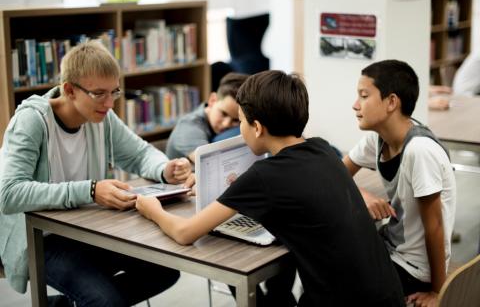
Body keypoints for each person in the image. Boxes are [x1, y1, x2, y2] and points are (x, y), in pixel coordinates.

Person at [136, 70, 405, 306]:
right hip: (387, 295)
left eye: (240, 121)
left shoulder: (266, 176)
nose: (238, 128)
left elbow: (185, 232)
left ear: (257, 127)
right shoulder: (321, 148)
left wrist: (152, 209)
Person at [0, 41, 193, 307]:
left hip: (89, 229)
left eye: (114, 91)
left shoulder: (102, 115)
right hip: (41, 239)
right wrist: (90, 190)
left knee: (165, 269)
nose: (110, 103)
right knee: (106, 302)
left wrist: (164, 168)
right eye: (99, 93)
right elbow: (9, 193)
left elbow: (139, 154)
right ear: (69, 90)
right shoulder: (31, 121)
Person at [343, 60, 456, 307]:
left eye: (364, 96)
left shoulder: (420, 150)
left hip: (415, 269)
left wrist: (438, 292)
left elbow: (435, 226)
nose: (355, 105)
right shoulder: (377, 139)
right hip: (392, 249)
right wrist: (362, 194)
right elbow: (335, 174)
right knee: (325, 264)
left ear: (392, 102)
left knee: (330, 289)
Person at [165, 72, 248, 161]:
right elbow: (210, 165)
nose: (226, 124)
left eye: (236, 120)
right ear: (212, 100)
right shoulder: (188, 128)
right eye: (224, 113)